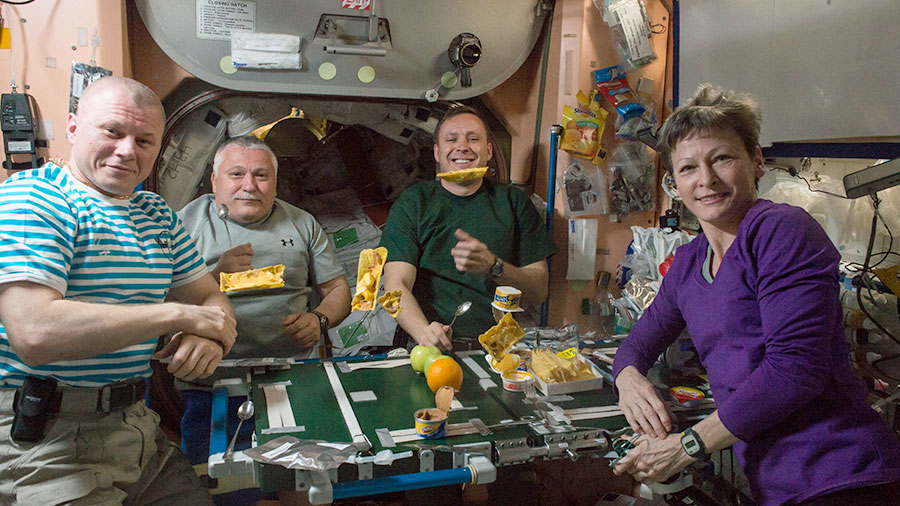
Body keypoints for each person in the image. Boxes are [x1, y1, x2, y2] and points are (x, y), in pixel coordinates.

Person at [611, 84, 900, 506]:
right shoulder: (691, 261)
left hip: (842, 475)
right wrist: (628, 379)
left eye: (722, 159)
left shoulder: (782, 231)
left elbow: (794, 370)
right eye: (688, 168)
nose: (706, 180)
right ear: (674, 183)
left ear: (757, 161)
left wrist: (686, 445)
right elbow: (638, 342)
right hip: (774, 482)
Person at [0, 76, 237, 505]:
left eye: (145, 140)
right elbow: (34, 334)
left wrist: (208, 333)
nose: (128, 150)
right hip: (44, 440)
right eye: (113, 131)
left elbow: (210, 299)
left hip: (136, 426)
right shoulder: (35, 198)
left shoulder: (156, 213)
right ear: (73, 128)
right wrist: (177, 317)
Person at [177, 135, 351, 467]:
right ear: (214, 180)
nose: (250, 185)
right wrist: (215, 277)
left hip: (293, 376)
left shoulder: (302, 223)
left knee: (299, 480)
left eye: (261, 175)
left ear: (275, 182)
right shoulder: (185, 224)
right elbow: (160, 302)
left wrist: (319, 319)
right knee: (218, 482)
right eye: (236, 174)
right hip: (211, 384)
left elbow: (338, 291)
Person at [380, 106, 556, 350]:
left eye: (473, 139)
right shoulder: (413, 203)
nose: (462, 146)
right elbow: (395, 286)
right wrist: (424, 333)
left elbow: (539, 291)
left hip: (500, 349)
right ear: (437, 152)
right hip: (425, 346)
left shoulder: (513, 202)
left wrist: (495, 267)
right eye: (452, 140)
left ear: (489, 151)